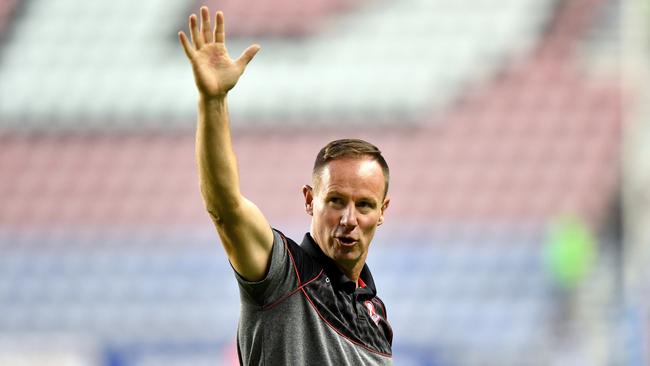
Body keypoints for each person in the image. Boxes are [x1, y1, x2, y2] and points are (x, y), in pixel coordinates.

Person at [179, 7, 393, 365]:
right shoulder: (280, 274)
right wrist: (213, 101)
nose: (349, 218)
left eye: (365, 205)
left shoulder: (376, 314)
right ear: (310, 200)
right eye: (336, 200)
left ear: (383, 211)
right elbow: (225, 208)